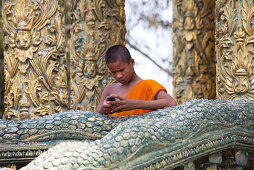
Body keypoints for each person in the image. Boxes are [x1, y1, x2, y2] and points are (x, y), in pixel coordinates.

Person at [96, 45, 177, 117]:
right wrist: (105, 108)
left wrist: (134, 104)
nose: (118, 75)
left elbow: (171, 103)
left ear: (132, 62)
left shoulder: (148, 85)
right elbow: (97, 115)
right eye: (114, 72)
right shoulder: (109, 89)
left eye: (121, 70)